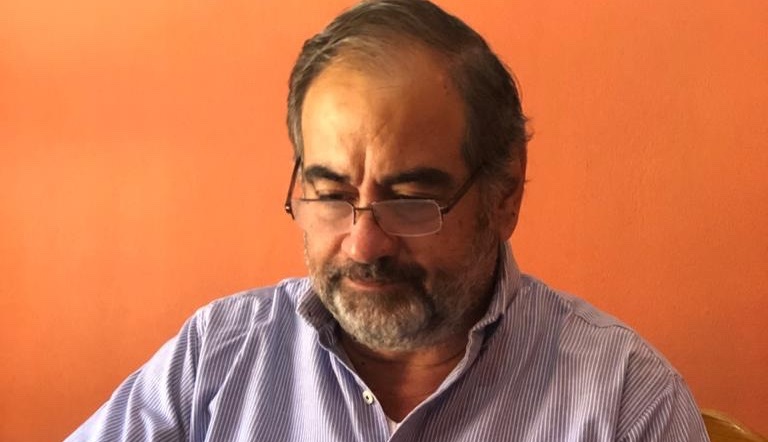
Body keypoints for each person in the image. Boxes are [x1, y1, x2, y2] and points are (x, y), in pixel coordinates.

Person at [67, 0, 710, 440]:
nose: (364, 243)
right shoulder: (216, 359)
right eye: (329, 194)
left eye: (409, 200)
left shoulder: (626, 399)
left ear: (505, 192)